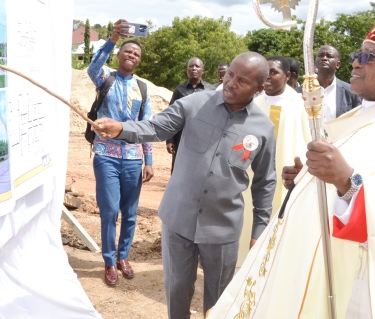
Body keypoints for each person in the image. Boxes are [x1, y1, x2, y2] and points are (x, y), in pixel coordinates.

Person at [208, 0, 375, 318]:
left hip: (356, 290)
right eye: (359, 53)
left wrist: (344, 180)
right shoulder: (371, 114)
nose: (355, 61)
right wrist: (306, 180)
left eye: (369, 56)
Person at [93, 52, 276, 319]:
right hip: (178, 220)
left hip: (223, 229)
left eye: (243, 81)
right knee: (177, 291)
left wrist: (259, 230)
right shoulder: (193, 103)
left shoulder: (263, 128)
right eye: (230, 75)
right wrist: (121, 128)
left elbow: (264, 183)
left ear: (260, 89)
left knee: (219, 298)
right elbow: (155, 127)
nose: (231, 83)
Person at [87, 19, 154, 287]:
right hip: (106, 155)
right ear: (120, 54)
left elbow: (147, 126)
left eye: (136, 54)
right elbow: (91, 67)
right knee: (109, 210)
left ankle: (123, 257)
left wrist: (149, 160)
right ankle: (108, 260)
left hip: (133, 160)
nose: (132, 56)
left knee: (130, 211)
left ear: (139, 61)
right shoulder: (106, 77)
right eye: (128, 51)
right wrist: (113, 37)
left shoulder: (143, 88)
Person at [237, 55, 311, 267]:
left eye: (273, 73)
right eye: (264, 73)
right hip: (252, 175)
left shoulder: (301, 105)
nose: (267, 77)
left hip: (286, 178)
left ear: (287, 76)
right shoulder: (253, 103)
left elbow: (310, 141)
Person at [166, 57, 215, 173]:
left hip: (204, 139)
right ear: (187, 70)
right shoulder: (179, 90)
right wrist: (169, 140)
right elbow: (171, 116)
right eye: (190, 66)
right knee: (179, 170)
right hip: (181, 138)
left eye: (197, 66)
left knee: (201, 170)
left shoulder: (211, 90)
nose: (193, 68)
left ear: (202, 71)